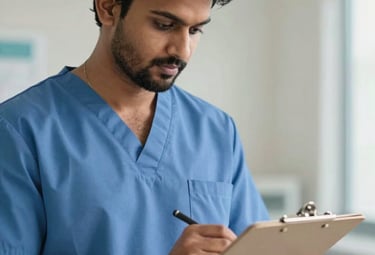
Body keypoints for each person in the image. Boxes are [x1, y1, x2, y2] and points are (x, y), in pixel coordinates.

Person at [0, 0, 269, 254]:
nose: (182, 50)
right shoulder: (19, 130)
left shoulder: (217, 131)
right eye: (164, 25)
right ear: (108, 8)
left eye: (195, 30)